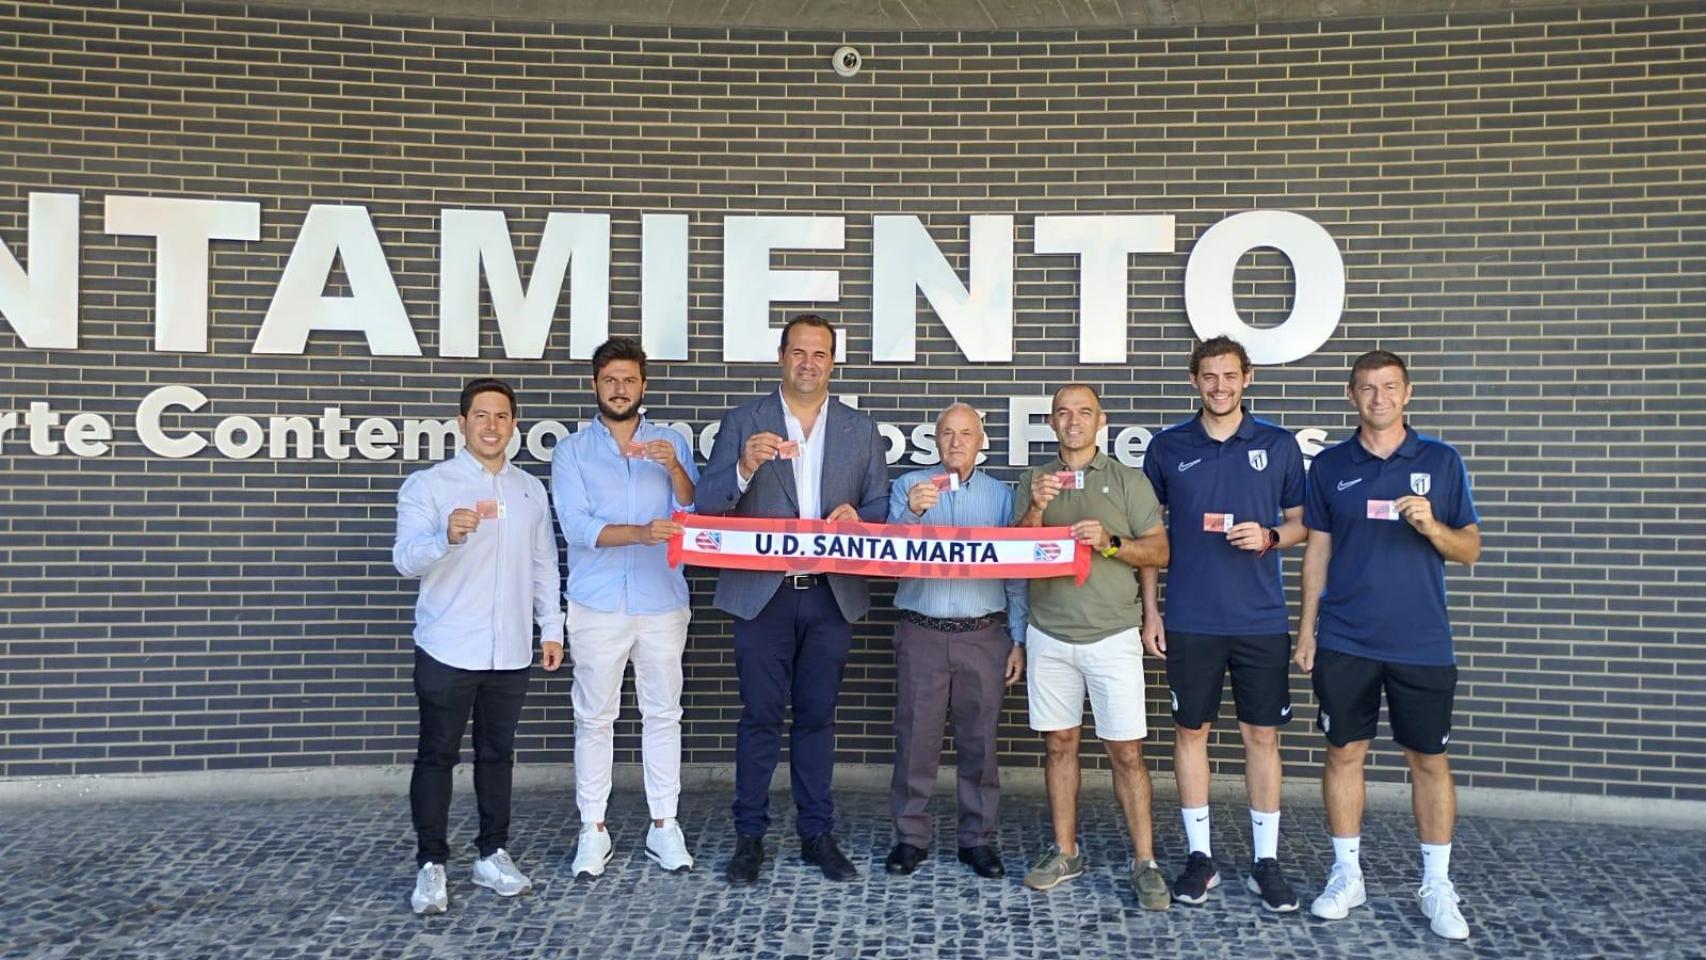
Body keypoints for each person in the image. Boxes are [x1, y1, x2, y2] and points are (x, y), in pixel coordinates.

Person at [695, 314, 889, 884]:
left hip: (831, 595)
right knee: (758, 719)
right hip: (763, 596)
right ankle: (749, 838)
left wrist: (859, 516)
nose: (808, 362)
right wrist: (743, 465)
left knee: (817, 719)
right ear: (781, 357)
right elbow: (707, 506)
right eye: (798, 352)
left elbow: (880, 507)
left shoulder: (859, 429)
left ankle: (816, 835)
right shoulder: (744, 421)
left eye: (820, 353)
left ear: (833, 362)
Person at [1295, 350, 1481, 940]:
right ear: (1352, 395)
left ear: (1408, 392)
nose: (1379, 397)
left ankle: (1436, 884)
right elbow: (1317, 551)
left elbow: (1469, 550)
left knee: (1428, 759)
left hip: (1422, 640)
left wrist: (1431, 526)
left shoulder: (1441, 462)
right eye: (1368, 388)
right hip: (1347, 637)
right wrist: (1306, 630)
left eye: (1390, 387)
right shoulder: (1329, 466)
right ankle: (1347, 874)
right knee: (1344, 752)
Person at [1138, 336, 1307, 912]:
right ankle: (1200, 859)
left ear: (1247, 377)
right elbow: (1150, 539)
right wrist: (1151, 610)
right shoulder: (1167, 448)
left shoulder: (1280, 446)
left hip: (1260, 620)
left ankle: (1266, 862)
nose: (1219, 387)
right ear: (1194, 381)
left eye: (1229, 376)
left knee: (1262, 736)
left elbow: (1302, 524)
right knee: (1192, 734)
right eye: (1208, 377)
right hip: (1190, 619)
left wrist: (1271, 537)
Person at [392, 378, 565, 915]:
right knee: (437, 756)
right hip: (447, 645)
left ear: (514, 425)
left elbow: (543, 565)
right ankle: (431, 863)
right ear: (462, 422)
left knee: (497, 756)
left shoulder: (530, 490)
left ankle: (492, 854)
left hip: (510, 649)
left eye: (503, 416)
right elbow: (405, 559)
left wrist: (551, 627)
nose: (492, 425)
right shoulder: (430, 486)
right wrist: (445, 536)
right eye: (481, 415)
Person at [1012, 383, 1171, 910]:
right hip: (1049, 633)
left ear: (1100, 421)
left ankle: (1145, 861)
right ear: (1052, 423)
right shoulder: (1034, 480)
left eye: (1083, 412)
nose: (1073, 420)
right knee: (1059, 744)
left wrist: (1110, 543)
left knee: (1126, 751)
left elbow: (1160, 552)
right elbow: (1015, 554)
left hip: (1112, 634)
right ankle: (1065, 851)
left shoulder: (1128, 480)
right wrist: (1035, 511)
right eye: (1063, 412)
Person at [551, 338, 699, 878]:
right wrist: (640, 532)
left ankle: (665, 826)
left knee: (663, 714)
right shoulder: (571, 451)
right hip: (596, 604)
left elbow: (695, 511)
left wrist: (676, 469)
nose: (620, 389)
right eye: (610, 380)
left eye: (629, 380)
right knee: (594, 718)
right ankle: (593, 829)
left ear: (643, 386)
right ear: (596, 385)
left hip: (662, 601)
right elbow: (578, 528)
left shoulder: (670, 440)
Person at [883, 402, 1028, 880]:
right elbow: (890, 560)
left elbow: (1016, 573)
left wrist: (1018, 637)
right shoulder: (909, 487)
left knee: (979, 744)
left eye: (967, 433)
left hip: (983, 635)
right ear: (935, 439)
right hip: (922, 631)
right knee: (915, 742)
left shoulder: (1001, 496)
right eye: (947, 433)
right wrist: (910, 514)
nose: (957, 442)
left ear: (981, 441)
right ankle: (910, 838)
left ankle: (977, 840)